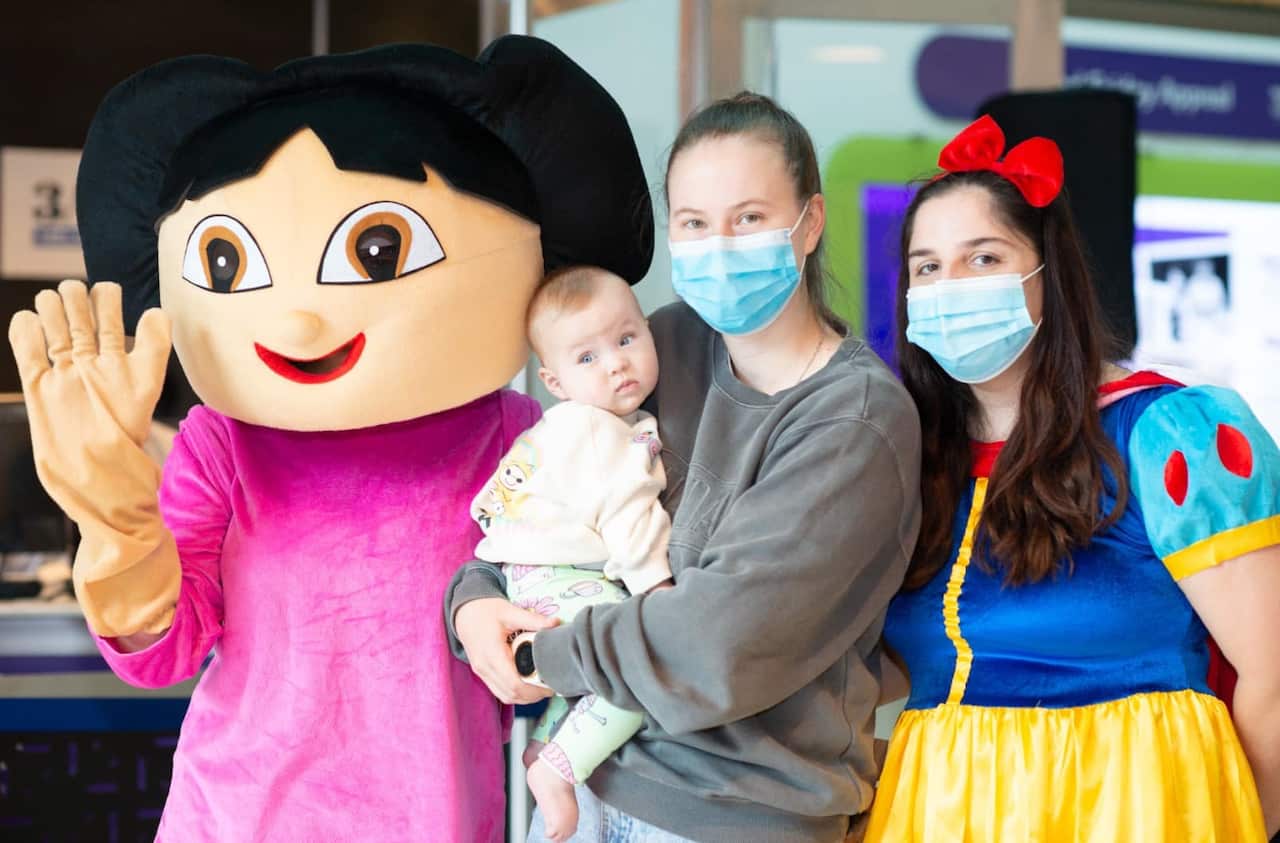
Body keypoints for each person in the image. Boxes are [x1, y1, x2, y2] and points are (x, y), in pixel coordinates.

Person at [7, 38, 652, 841]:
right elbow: (161, 651)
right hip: (237, 816)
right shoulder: (221, 443)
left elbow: (579, 616)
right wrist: (117, 527)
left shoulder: (522, 439)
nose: (299, 318)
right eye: (225, 258)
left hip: (442, 819)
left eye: (376, 251)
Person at [447, 92, 922, 842]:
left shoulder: (854, 419)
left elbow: (716, 645)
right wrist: (473, 603)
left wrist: (545, 650)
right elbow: (546, 485)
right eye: (696, 224)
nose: (720, 247)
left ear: (811, 223)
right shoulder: (660, 346)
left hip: (733, 812)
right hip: (586, 780)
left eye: (749, 217)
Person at [866, 114, 1280, 842]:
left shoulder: (1168, 432)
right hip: (937, 815)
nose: (948, 284)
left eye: (983, 258)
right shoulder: (916, 461)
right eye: (927, 267)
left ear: (1045, 274)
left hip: (1135, 810)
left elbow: (1274, 678)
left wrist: (1251, 821)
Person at [471, 265, 673, 841]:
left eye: (627, 339)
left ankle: (542, 748)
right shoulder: (606, 434)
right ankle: (559, 774)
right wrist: (658, 591)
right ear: (553, 380)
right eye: (587, 358)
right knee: (630, 672)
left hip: (524, 578)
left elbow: (492, 502)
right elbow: (631, 517)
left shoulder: (554, 428)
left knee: (587, 676)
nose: (616, 363)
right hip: (560, 579)